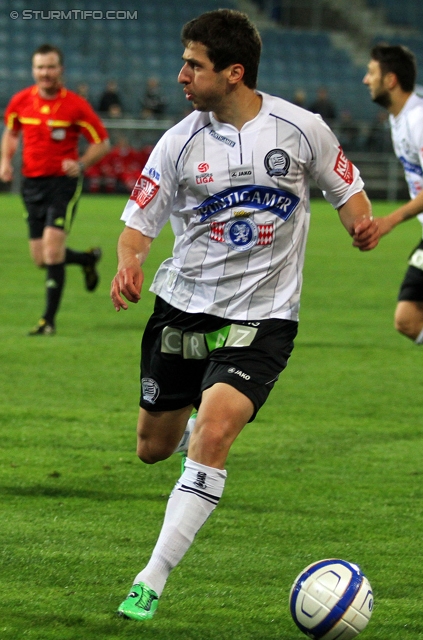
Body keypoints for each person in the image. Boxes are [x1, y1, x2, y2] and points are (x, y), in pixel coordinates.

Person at [111, 9, 379, 622]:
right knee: (153, 448)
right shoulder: (178, 141)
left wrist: (358, 222)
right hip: (184, 308)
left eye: (193, 65)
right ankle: (185, 440)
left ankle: (149, 582)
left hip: (265, 316)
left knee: (215, 431)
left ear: (233, 73)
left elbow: (347, 188)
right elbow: (138, 221)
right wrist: (130, 263)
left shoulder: (302, 129)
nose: (181, 75)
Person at [363, 44, 423, 376]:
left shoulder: (422, 118)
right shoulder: (400, 119)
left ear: (390, 80)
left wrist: (390, 220)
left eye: (372, 73)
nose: (366, 80)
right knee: (408, 320)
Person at [0, 44, 110, 335]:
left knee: (51, 250)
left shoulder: (75, 105)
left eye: (50, 67)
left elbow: (102, 141)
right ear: (33, 70)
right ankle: (87, 259)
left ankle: (47, 321)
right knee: (41, 258)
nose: (45, 73)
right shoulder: (21, 101)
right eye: (39, 67)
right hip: (31, 184)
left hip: (62, 185)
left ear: (60, 69)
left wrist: (82, 163)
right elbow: (11, 132)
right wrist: (5, 162)